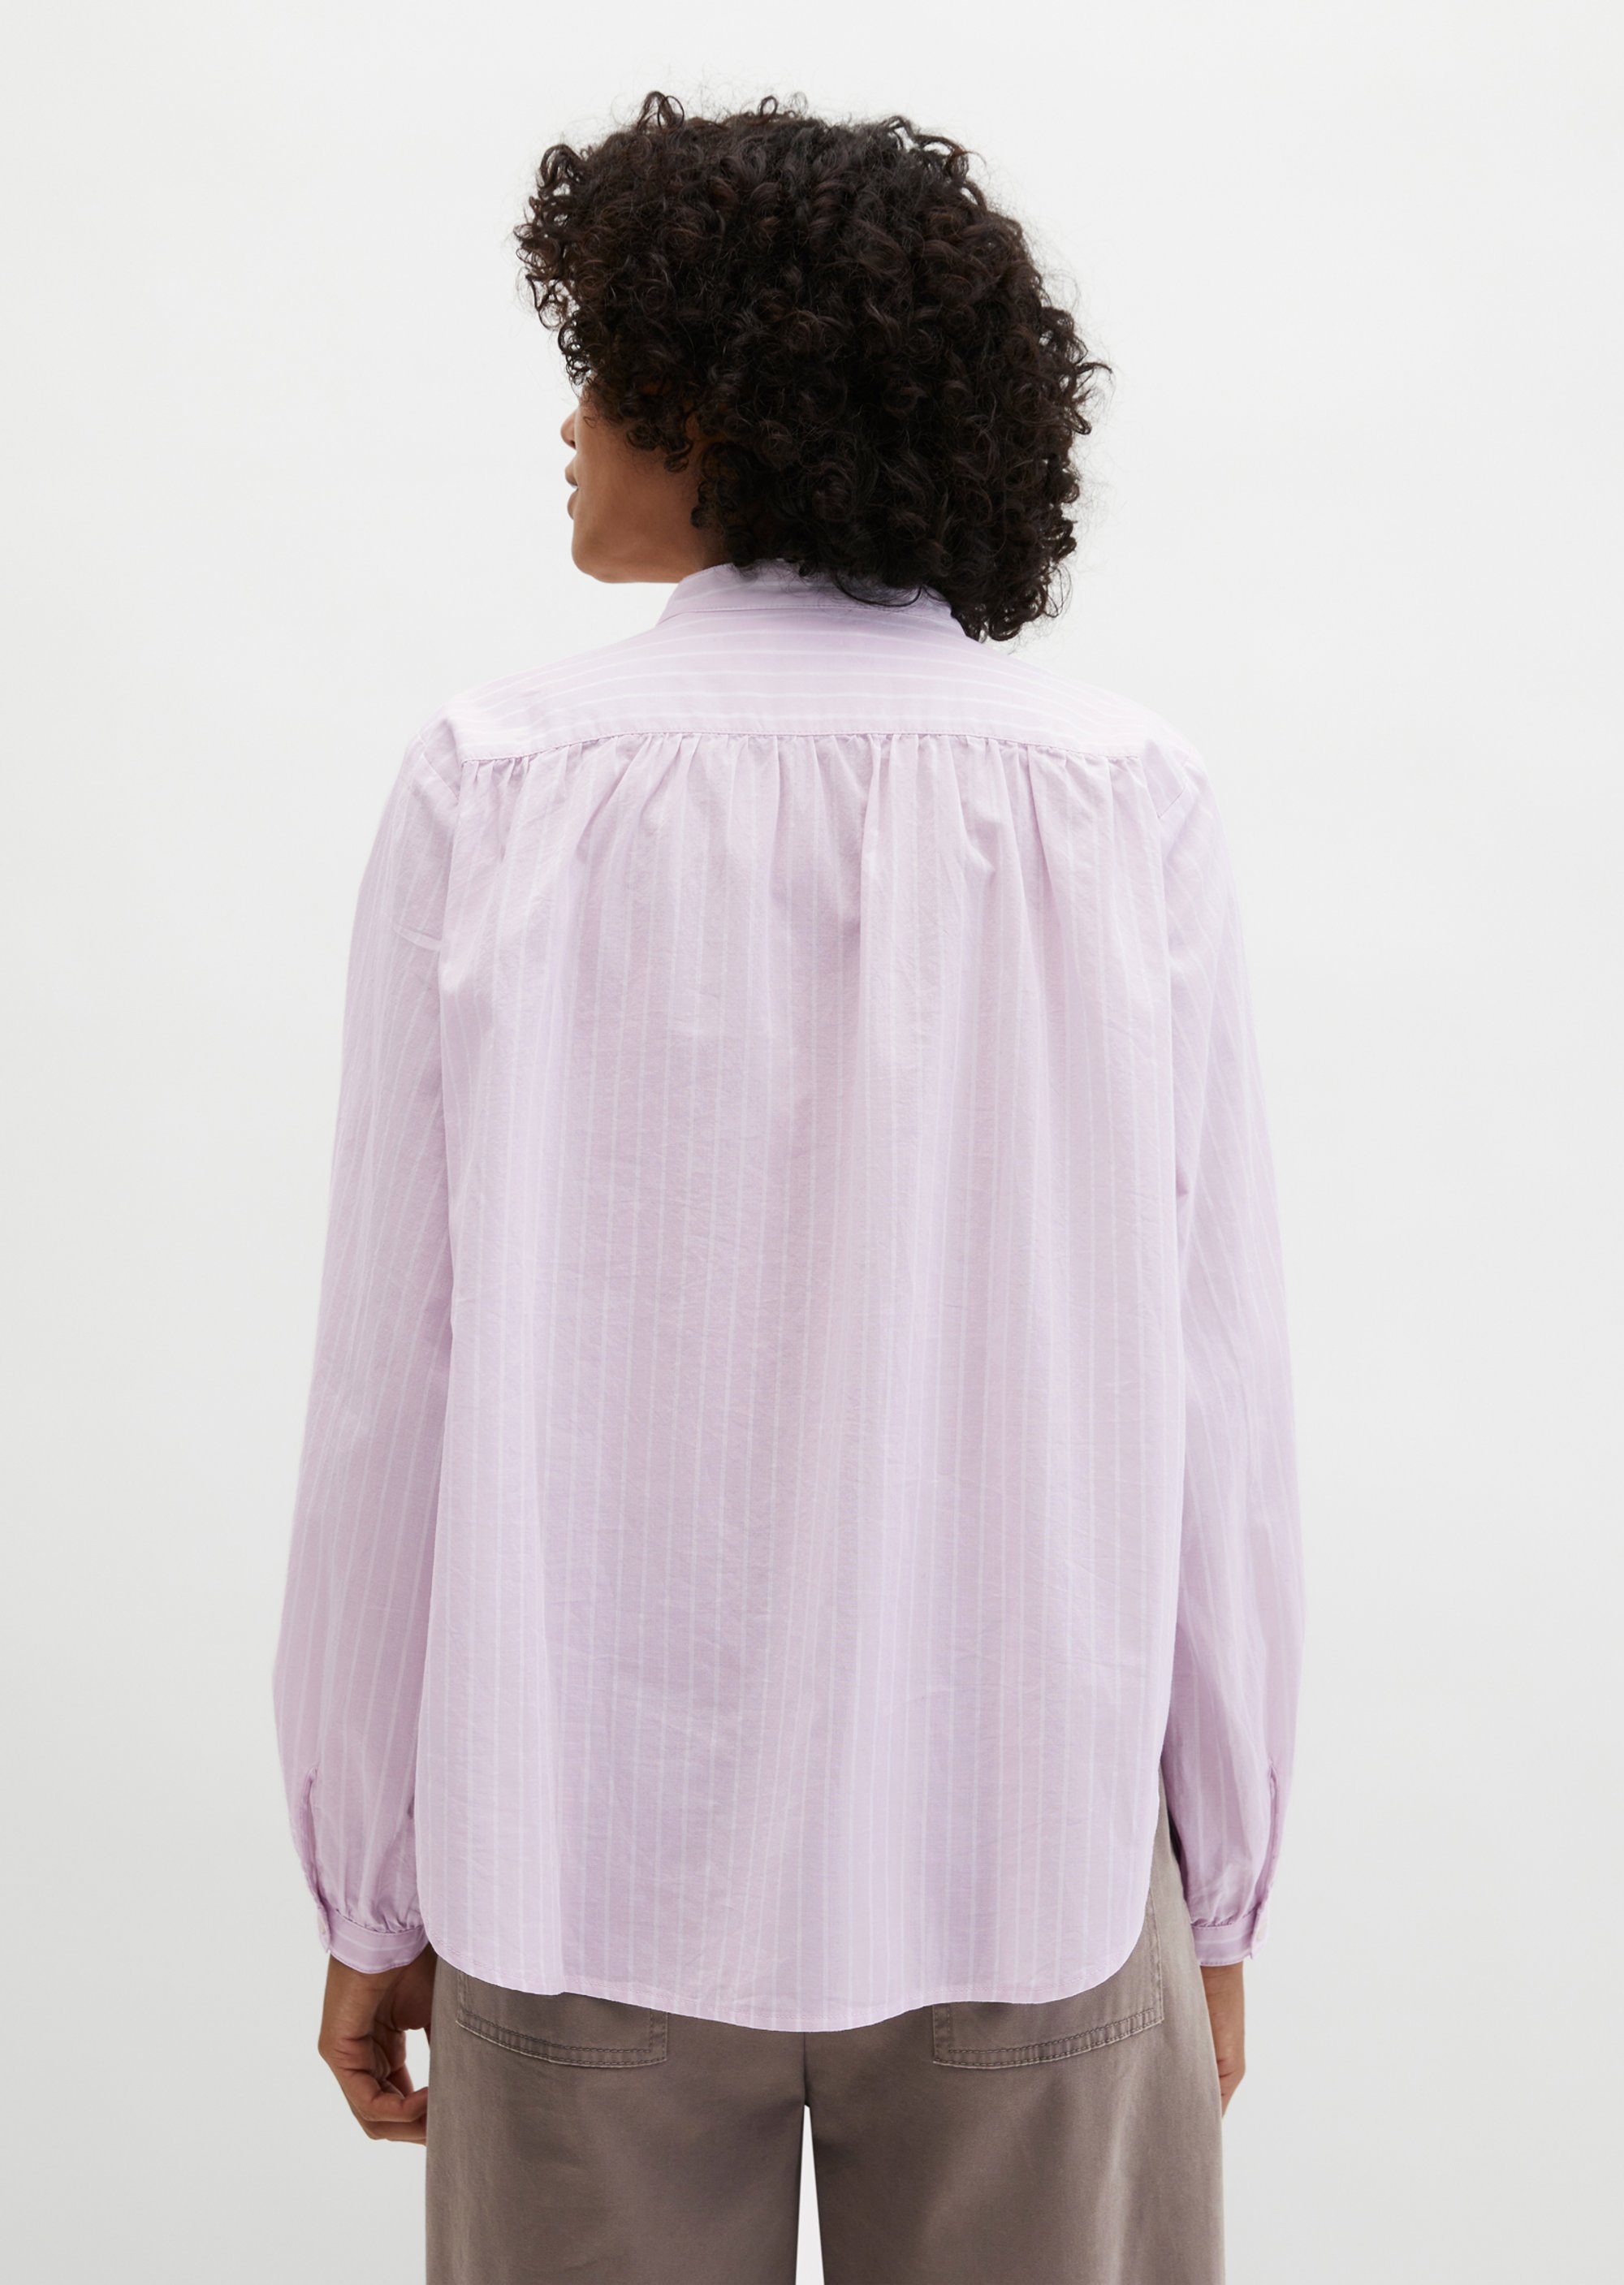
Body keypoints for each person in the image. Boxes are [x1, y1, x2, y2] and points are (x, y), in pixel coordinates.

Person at [272, 89, 1304, 2285]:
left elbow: (390, 1388)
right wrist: (1217, 1892)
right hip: (1031, 1850)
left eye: (608, 369)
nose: (569, 424)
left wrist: (373, 1883)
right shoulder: (1127, 804)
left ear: (730, 412)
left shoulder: (497, 787)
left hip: (574, 1858)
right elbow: (1216, 1399)